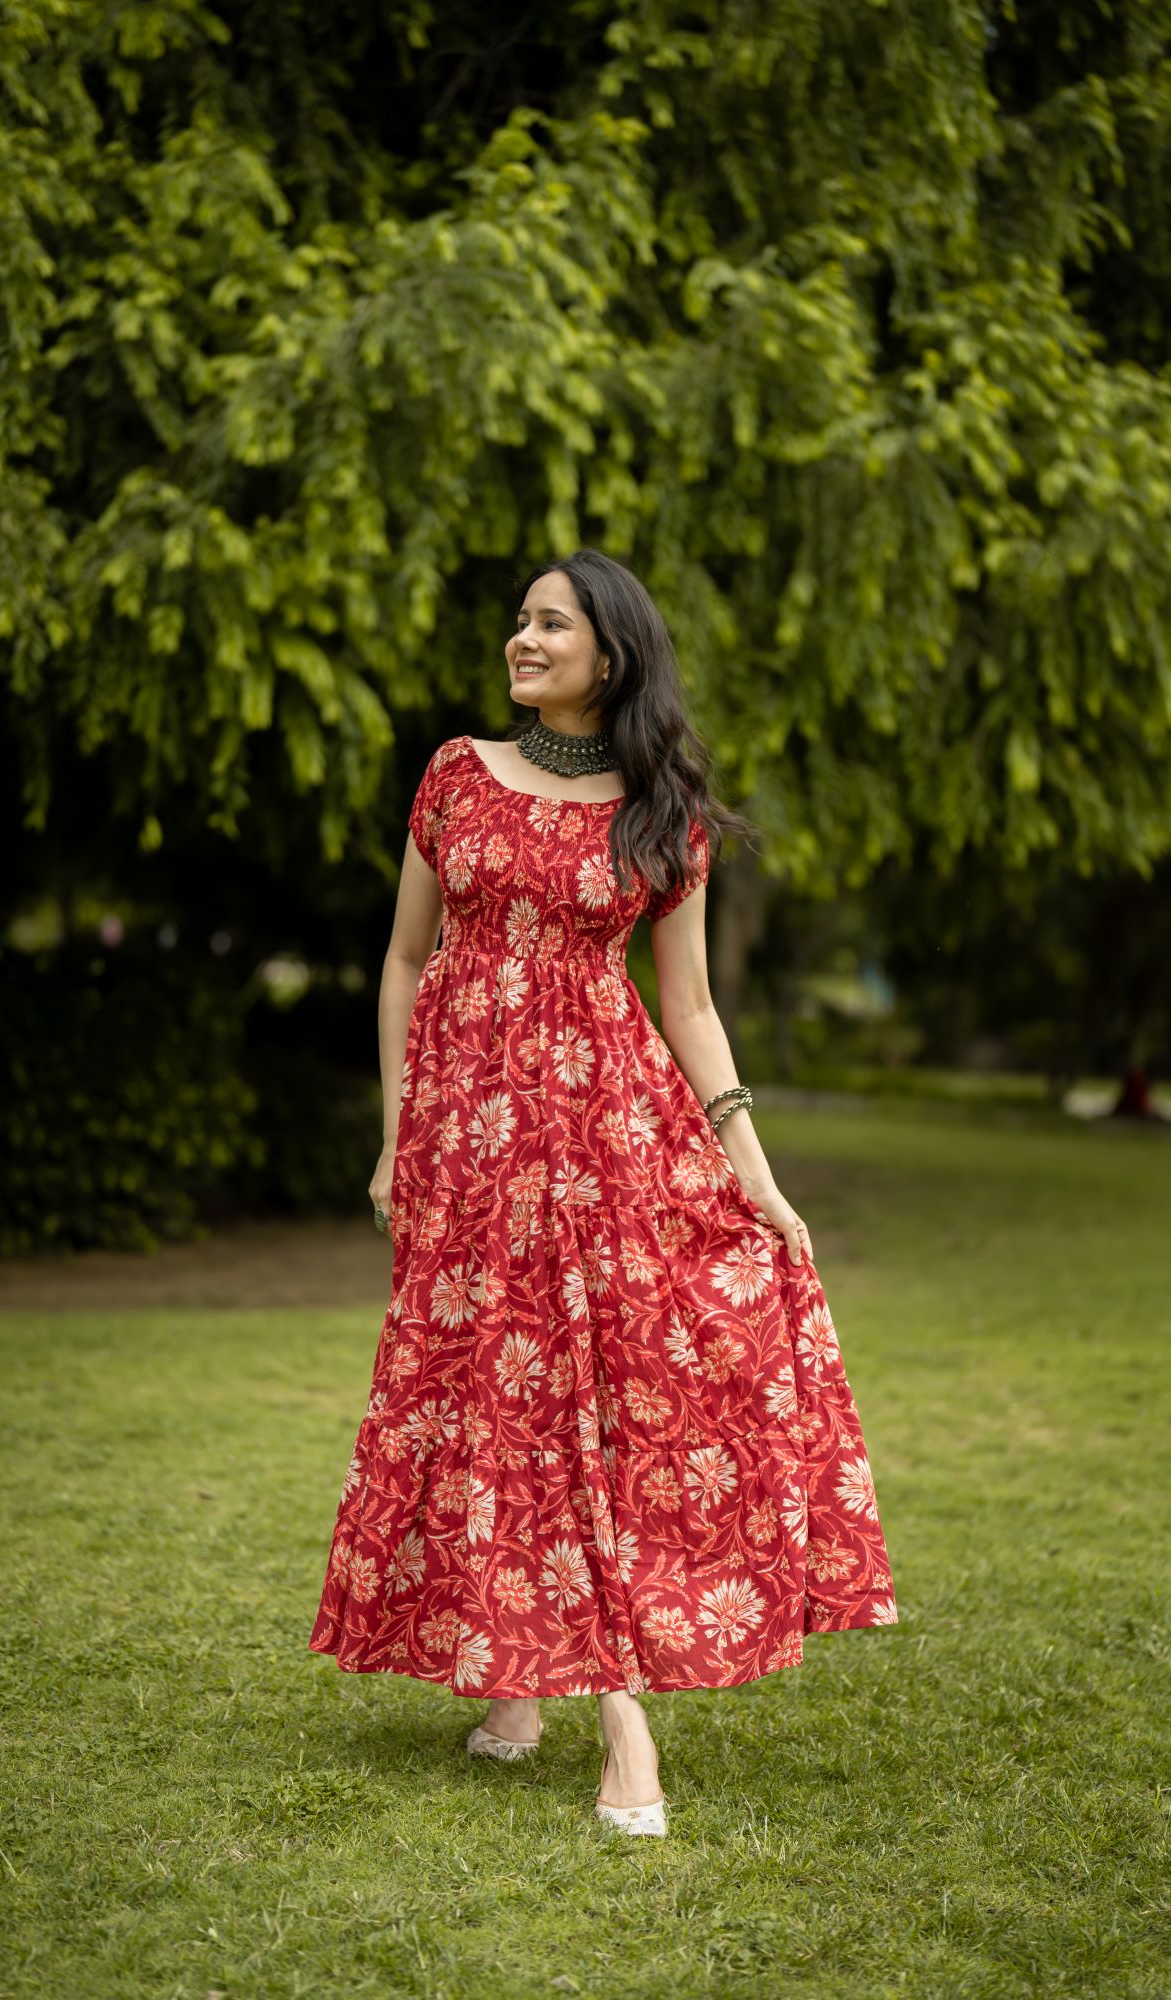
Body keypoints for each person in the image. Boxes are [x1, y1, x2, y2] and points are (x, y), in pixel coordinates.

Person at [308, 549, 897, 1837]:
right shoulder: (456, 775)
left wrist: (760, 1177)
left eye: (550, 624)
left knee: (586, 1401)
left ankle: (623, 1728)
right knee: (486, 1391)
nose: (522, 640)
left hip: (605, 1139)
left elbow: (687, 1004)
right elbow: (406, 962)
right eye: (520, 621)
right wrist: (398, 1132)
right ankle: (516, 1688)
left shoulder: (662, 813)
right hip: (469, 1144)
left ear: (611, 654)